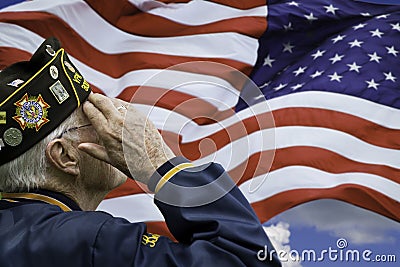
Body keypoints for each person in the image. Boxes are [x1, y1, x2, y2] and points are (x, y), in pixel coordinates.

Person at [0, 38, 281, 267]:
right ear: (65, 157)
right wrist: (158, 163)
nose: (119, 125)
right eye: (95, 117)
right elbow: (245, 260)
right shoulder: (90, 241)